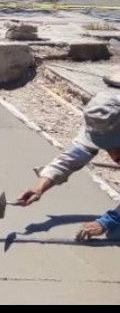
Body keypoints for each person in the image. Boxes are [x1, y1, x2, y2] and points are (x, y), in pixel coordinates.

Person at [14, 91, 120, 242]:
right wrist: (39, 187)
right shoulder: (102, 122)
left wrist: (109, 221)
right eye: (108, 146)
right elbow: (72, 157)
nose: (113, 155)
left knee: (114, 232)